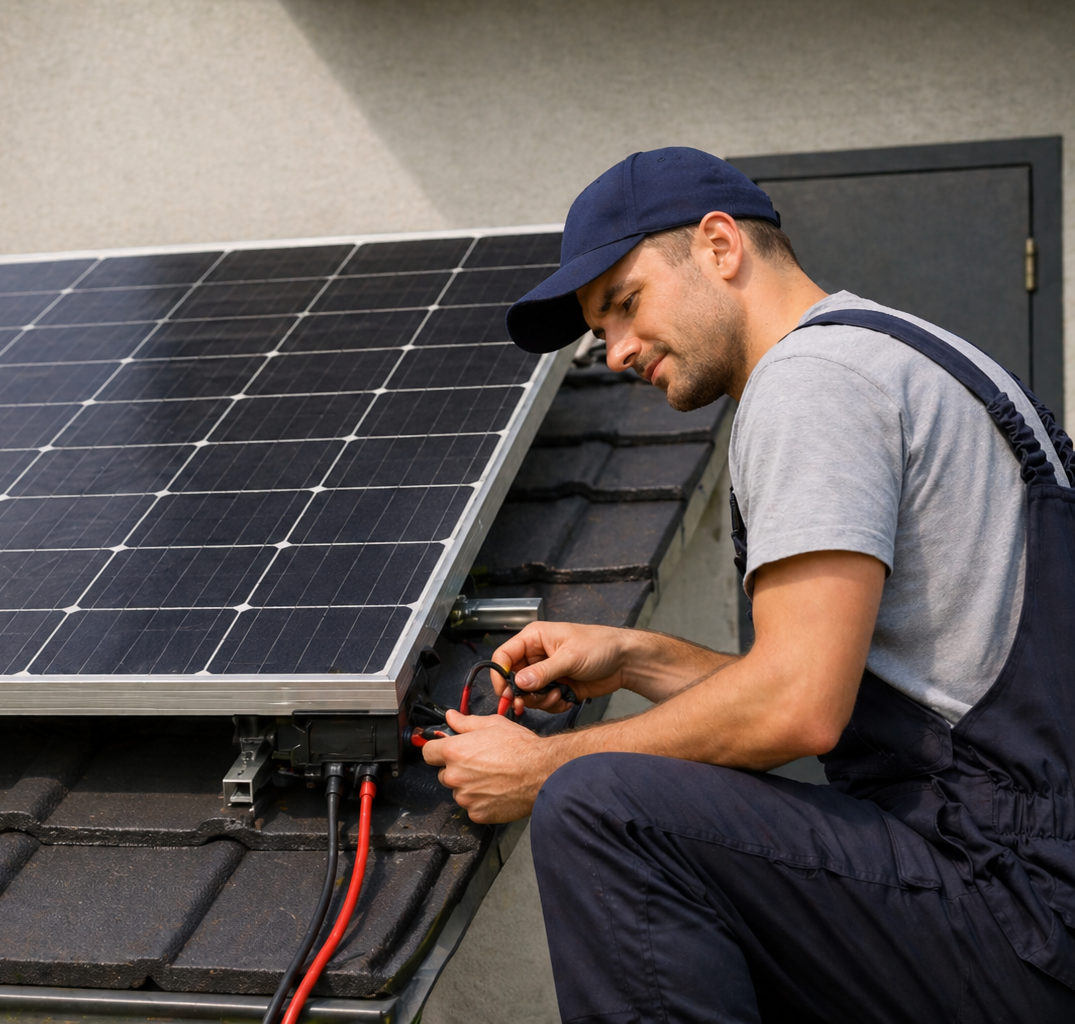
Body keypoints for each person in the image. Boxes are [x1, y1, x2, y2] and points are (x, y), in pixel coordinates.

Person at [420, 147, 1075, 1021]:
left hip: (1011, 901)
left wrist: (543, 768)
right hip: (1028, 880)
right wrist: (638, 657)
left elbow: (796, 709)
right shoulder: (908, 354)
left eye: (624, 304)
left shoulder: (810, 385)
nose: (612, 352)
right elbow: (854, 689)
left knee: (601, 808)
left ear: (720, 246)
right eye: (599, 329)